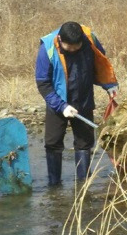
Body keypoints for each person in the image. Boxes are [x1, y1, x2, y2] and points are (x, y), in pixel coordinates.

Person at [35, 22, 118, 186]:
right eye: (69, 47)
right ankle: (54, 185)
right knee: (53, 143)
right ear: (60, 39)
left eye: (76, 47)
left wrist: (109, 85)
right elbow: (43, 83)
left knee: (84, 143)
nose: (73, 50)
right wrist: (61, 106)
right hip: (57, 102)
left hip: (83, 98)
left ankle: (83, 183)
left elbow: (100, 62)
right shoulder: (47, 49)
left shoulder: (89, 39)